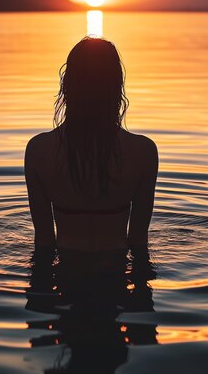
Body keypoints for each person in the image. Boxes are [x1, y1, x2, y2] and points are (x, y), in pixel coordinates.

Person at [24, 36, 158, 269]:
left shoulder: (39, 150)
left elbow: (44, 241)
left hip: (66, 270)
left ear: (67, 85)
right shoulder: (143, 152)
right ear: (117, 87)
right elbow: (138, 241)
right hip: (116, 270)